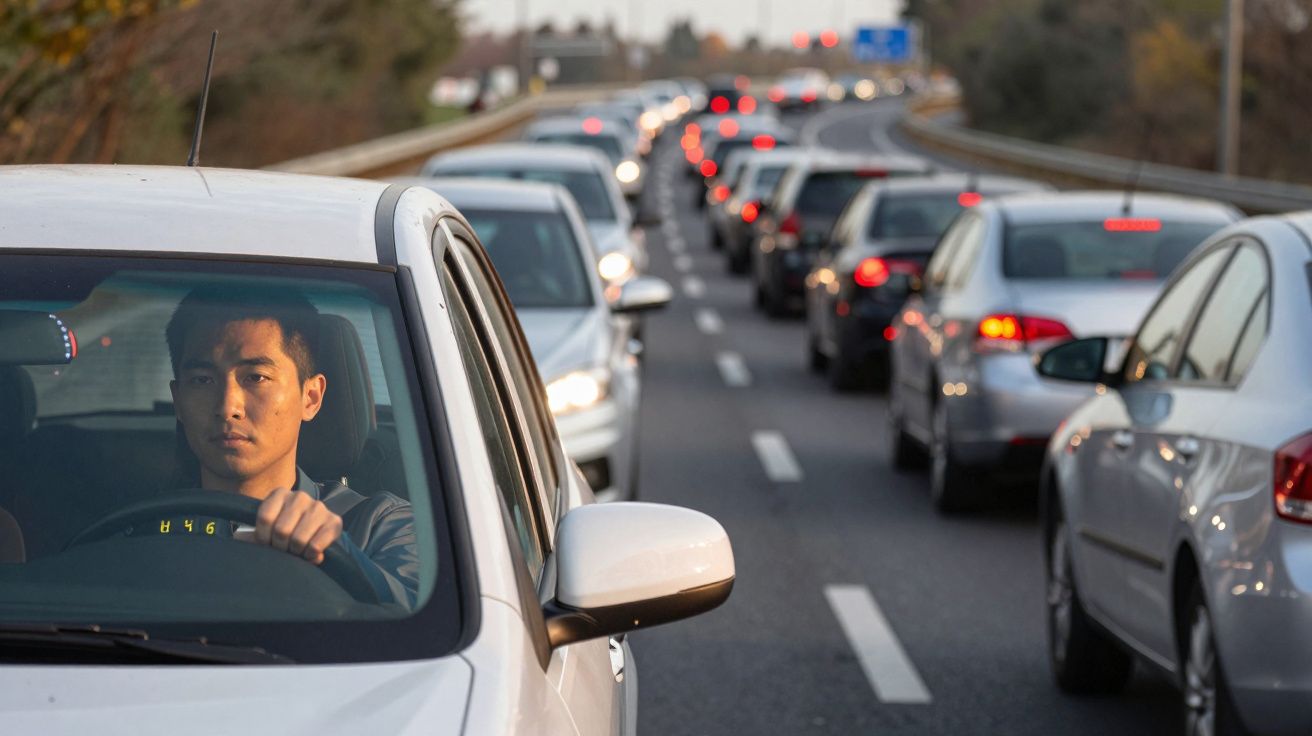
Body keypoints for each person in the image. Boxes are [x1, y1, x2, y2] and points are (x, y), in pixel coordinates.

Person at [165, 285, 418, 607]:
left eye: (256, 377)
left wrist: (338, 556)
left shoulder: (381, 527)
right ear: (178, 401)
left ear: (310, 397)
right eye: (202, 380)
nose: (228, 407)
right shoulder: (138, 532)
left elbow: (425, 621)